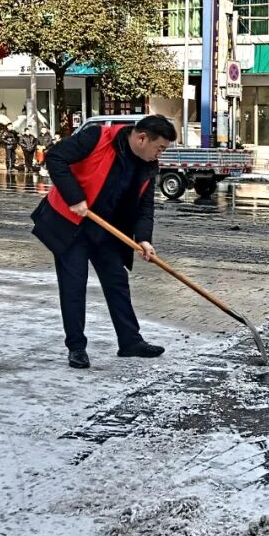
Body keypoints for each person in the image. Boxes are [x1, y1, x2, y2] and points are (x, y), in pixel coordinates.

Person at [31, 114, 178, 369]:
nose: (160, 154)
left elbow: (145, 206)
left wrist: (144, 239)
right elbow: (55, 157)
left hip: (106, 229)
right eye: (160, 148)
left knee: (117, 282)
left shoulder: (146, 165)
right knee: (74, 285)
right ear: (142, 138)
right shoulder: (97, 137)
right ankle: (76, 348)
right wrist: (74, 197)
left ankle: (130, 342)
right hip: (72, 224)